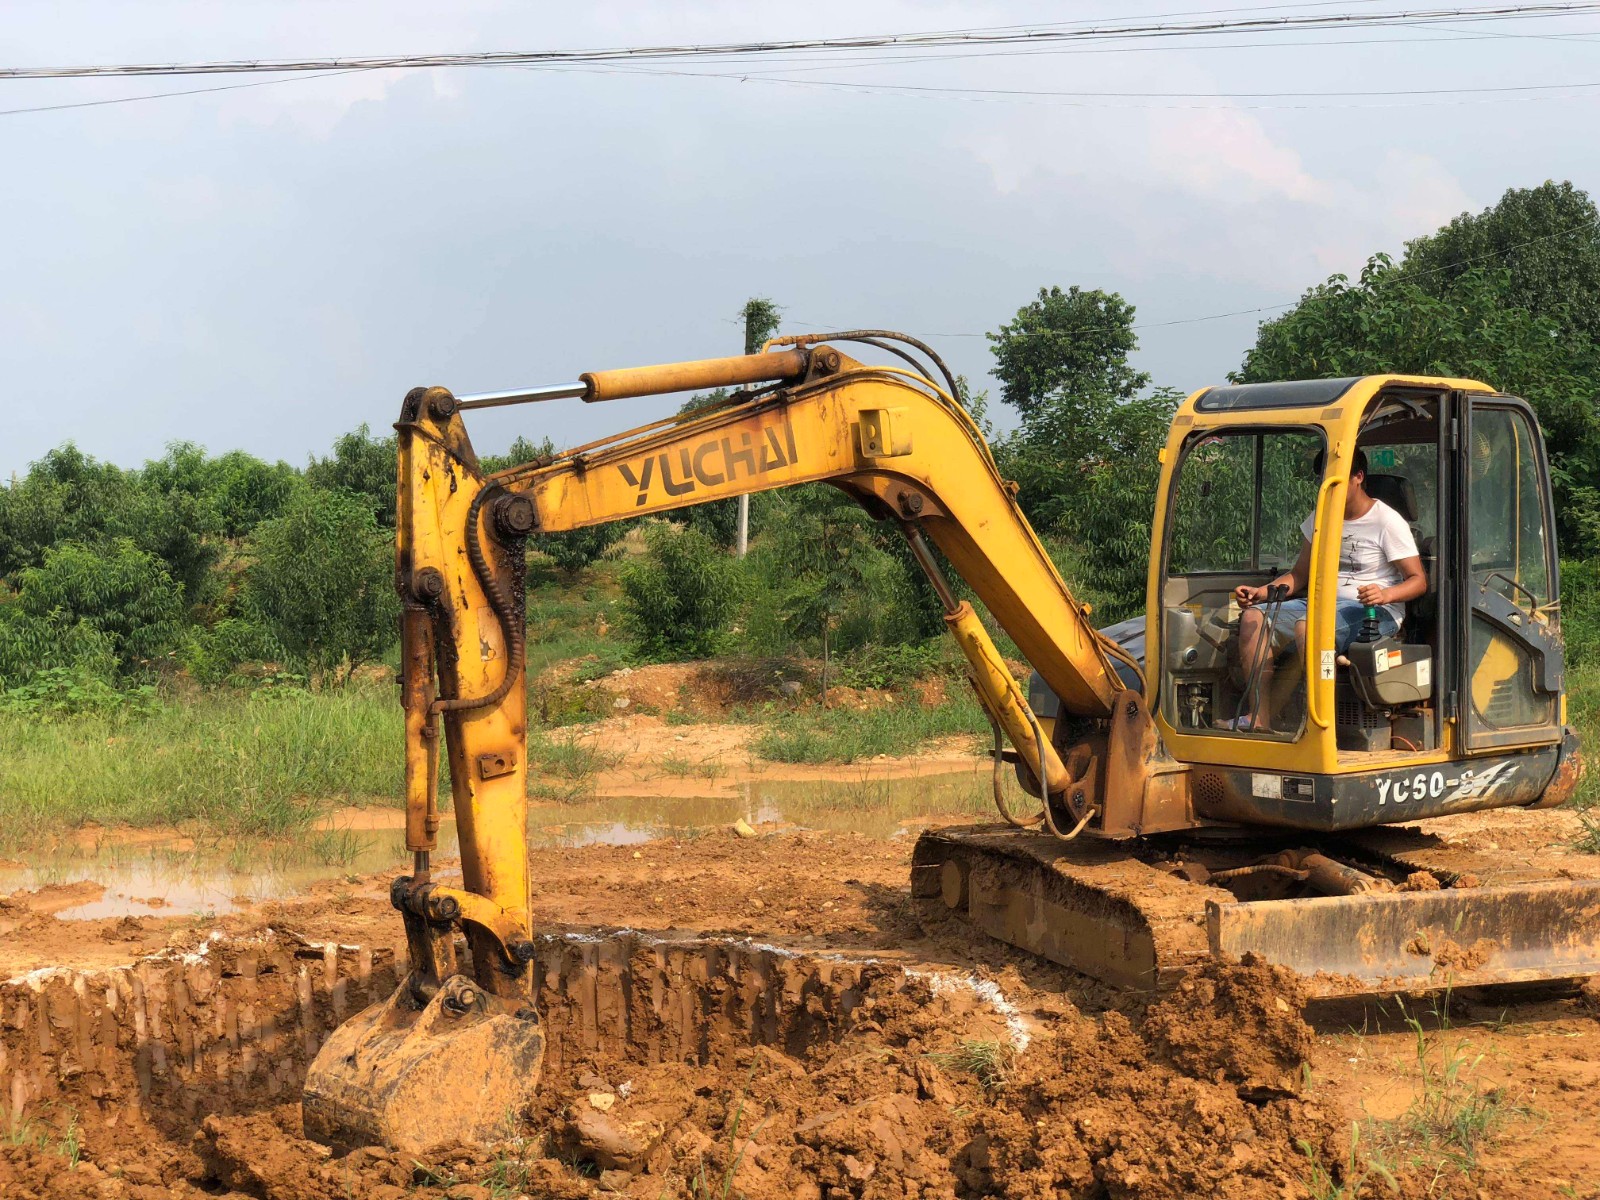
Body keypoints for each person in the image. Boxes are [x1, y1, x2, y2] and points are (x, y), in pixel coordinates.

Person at [1225, 448, 1426, 732]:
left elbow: (1419, 580)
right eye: (1323, 480)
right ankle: (1259, 716)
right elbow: (1298, 576)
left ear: (1358, 477)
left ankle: (1317, 723)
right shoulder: (1321, 516)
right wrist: (1261, 592)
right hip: (1322, 605)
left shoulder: (1387, 521)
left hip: (1376, 612)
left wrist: (1386, 594)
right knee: (1253, 620)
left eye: (1335, 479)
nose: (1327, 487)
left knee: (1308, 628)